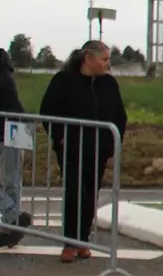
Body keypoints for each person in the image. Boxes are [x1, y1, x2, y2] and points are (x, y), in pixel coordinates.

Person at [38, 40, 127, 263]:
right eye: (104, 59)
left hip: (98, 149)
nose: (108, 64)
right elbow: (48, 111)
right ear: (88, 58)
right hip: (72, 149)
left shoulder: (109, 84)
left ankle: (83, 240)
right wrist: (59, 137)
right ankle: (69, 243)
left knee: (91, 193)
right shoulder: (64, 81)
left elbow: (119, 115)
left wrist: (113, 141)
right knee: (76, 192)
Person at [0, 48, 31, 247]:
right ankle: (12, 224)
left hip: (7, 130)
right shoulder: (6, 71)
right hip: (17, 128)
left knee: (10, 178)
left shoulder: (3, 76)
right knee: (12, 179)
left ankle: (13, 218)